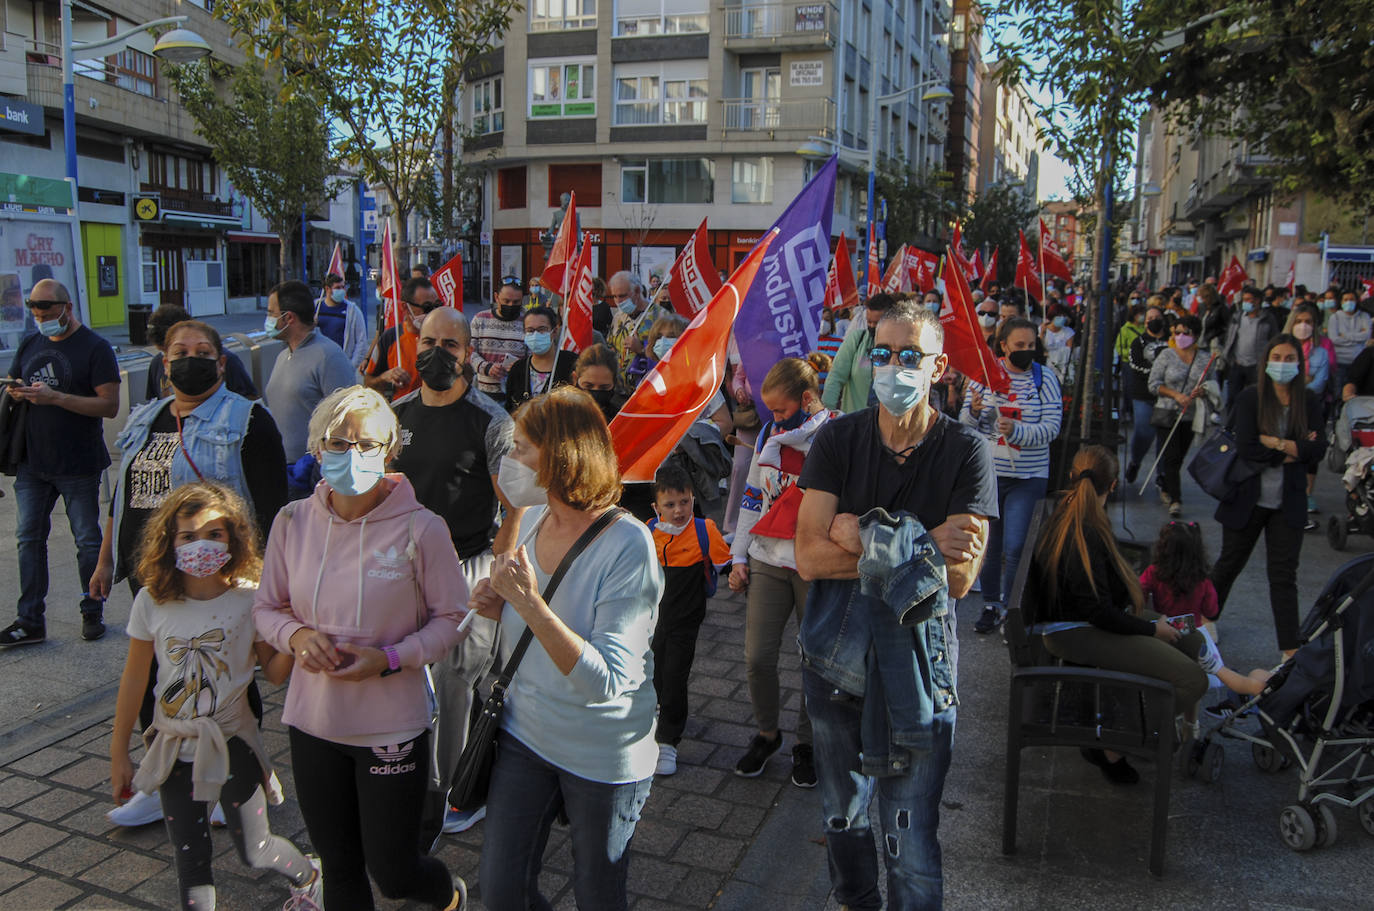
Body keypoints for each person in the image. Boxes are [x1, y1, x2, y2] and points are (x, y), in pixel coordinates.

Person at [794, 299, 997, 909]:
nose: (892, 367)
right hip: (835, 663)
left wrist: (865, 535)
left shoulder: (966, 450)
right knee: (843, 818)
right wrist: (922, 541)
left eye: (910, 355)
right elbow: (807, 556)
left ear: (938, 368)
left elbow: (960, 580)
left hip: (919, 672)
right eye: (881, 353)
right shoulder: (838, 439)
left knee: (910, 838)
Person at [253, 386, 471, 911]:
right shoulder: (291, 522)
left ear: (389, 451)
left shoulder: (424, 528)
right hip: (313, 723)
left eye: (366, 444)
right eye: (338, 442)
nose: (351, 454)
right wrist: (298, 636)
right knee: (342, 870)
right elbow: (266, 609)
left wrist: (391, 658)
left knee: (393, 873)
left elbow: (455, 620)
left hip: (391, 729)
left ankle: (448, 895)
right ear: (317, 447)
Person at [469, 386, 662, 911]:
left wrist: (528, 605)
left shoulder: (628, 545)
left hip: (602, 751)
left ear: (560, 456)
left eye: (521, 449)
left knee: (599, 895)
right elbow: (528, 620)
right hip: (524, 734)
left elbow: (607, 680)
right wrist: (499, 605)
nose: (509, 462)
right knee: (502, 891)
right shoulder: (531, 518)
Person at [108, 482, 321, 909]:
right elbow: (134, 679)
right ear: (169, 542)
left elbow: (274, 673)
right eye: (187, 536)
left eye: (213, 533)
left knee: (254, 849)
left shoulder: (250, 598)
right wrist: (118, 752)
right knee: (190, 858)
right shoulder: (153, 600)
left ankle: (310, 876)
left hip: (232, 746)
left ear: (234, 538)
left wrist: (300, 636)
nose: (199, 544)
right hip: (171, 748)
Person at [388, 306, 525, 835]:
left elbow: (514, 504)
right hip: (403, 570)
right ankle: (417, 780)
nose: (437, 353)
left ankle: (457, 793)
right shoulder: (397, 415)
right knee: (408, 678)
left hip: (469, 567)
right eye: (429, 341)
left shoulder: (490, 419)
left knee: (456, 682)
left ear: (468, 354)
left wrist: (498, 569)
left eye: (450, 345)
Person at [1031, 446, 1209, 784]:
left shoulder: (1073, 515)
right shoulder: (1085, 528)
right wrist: (1150, 630)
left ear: (1073, 477)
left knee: (1193, 638)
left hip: (1086, 622)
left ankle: (1137, 727)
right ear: (1112, 487)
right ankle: (1118, 742)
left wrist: (1147, 624)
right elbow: (1097, 612)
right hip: (1076, 632)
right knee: (1193, 680)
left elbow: (1099, 603)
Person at [728, 358, 836, 788]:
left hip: (816, 567)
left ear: (807, 399)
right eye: (769, 410)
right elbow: (752, 498)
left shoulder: (836, 435)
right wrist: (738, 557)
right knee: (757, 658)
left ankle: (806, 743)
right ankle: (767, 734)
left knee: (816, 662)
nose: (772, 419)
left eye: (779, 409)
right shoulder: (771, 435)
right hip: (767, 560)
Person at [2, 279, 119, 646]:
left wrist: (56, 398)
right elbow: (18, 379)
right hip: (32, 462)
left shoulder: (96, 348)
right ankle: (30, 619)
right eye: (36, 315)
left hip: (78, 463)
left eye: (48, 314)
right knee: (28, 539)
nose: (42, 321)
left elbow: (109, 405)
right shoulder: (32, 342)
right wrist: (15, 391)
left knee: (86, 540)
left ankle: (92, 610)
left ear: (67, 308)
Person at [1210, 335, 1327, 659]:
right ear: (1266, 361)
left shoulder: (1309, 400)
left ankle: (1289, 650)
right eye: (1277, 356)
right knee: (1229, 563)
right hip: (1246, 496)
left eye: (1290, 358)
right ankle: (1205, 620)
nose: (1283, 363)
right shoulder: (1251, 398)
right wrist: (1294, 447)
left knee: (1284, 575)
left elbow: (1318, 449)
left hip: (1287, 502)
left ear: (1299, 364)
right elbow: (1247, 446)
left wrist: (1274, 444)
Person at [961, 317, 1063, 634]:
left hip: (1029, 476)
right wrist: (975, 411)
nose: (1025, 351)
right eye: (1019, 346)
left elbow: (1051, 428)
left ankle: (1012, 607)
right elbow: (964, 426)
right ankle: (991, 604)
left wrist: (1018, 431)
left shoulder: (1045, 379)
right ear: (1003, 346)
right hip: (990, 475)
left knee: (1017, 545)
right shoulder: (983, 376)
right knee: (989, 544)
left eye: (1031, 346)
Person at [647, 463, 731, 777]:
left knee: (675, 676)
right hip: (651, 621)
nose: (679, 510)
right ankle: (655, 713)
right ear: (656, 507)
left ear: (693, 499)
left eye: (684, 502)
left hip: (686, 620)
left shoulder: (704, 529)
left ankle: (668, 740)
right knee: (653, 671)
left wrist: (740, 574)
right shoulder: (648, 532)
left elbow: (725, 561)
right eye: (670, 505)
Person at [261, 280, 359, 469]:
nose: (268, 319)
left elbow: (347, 419)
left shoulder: (328, 356)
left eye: (271, 313)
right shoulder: (283, 355)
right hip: (281, 466)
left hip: (311, 474)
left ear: (289, 317)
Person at [1148, 314, 1212, 517]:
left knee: (1179, 456)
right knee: (1172, 456)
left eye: (1186, 333)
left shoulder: (1204, 358)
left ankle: (1166, 485)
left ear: (1195, 335)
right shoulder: (1166, 355)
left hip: (1191, 415)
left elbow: (1212, 384)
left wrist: (1203, 391)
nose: (1181, 336)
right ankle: (1176, 499)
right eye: (1177, 332)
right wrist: (1176, 395)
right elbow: (1154, 384)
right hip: (1167, 413)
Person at [144, 304, 257, 401]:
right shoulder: (157, 363)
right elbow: (153, 401)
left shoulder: (227, 361)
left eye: (181, 352)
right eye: (163, 352)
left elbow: (249, 399)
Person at [365, 276, 440, 401]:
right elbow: (368, 382)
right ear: (405, 307)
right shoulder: (389, 339)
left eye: (437, 306)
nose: (432, 313)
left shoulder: (445, 337)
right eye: (426, 307)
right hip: (402, 414)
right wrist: (385, 377)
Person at [1139, 519, 1219, 634]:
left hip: (1164, 629)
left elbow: (1139, 595)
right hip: (1192, 631)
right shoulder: (1202, 579)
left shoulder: (1154, 572)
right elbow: (1211, 611)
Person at [822, 292, 895, 413]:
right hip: (854, 421)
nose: (871, 326)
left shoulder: (901, 349)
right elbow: (835, 377)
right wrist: (826, 414)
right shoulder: (857, 340)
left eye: (877, 323)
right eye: (869, 322)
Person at [1123, 304, 1171, 484]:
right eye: (1149, 318)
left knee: (1164, 435)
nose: (1152, 321)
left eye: (1156, 318)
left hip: (1167, 395)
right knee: (1144, 431)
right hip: (1143, 394)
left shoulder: (1171, 341)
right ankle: (1135, 461)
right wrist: (1159, 373)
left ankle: (1162, 474)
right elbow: (1135, 365)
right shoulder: (1139, 342)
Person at [504, 306, 577, 411]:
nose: (535, 335)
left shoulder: (572, 363)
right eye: (530, 330)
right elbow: (510, 407)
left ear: (554, 331)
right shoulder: (518, 368)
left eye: (542, 329)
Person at [470, 275, 529, 404]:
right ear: (496, 297)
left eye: (516, 302)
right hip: (485, 396)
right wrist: (487, 367)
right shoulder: (480, 319)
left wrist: (519, 367)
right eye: (506, 301)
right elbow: (469, 352)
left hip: (516, 395)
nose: (511, 305)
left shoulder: (527, 322)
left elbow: (533, 356)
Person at [607, 271, 671, 389]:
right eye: (614, 296)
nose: (618, 301)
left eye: (622, 296)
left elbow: (670, 355)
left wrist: (642, 349)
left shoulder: (661, 316)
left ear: (636, 291)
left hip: (648, 390)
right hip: (618, 391)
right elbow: (611, 346)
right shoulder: (618, 317)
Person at [1222, 286, 1282, 409]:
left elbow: (1274, 339)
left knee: (1256, 396)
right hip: (1238, 363)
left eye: (1249, 299)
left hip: (1257, 365)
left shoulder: (1267, 318)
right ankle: (1230, 425)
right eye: (1244, 299)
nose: (1246, 302)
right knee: (1233, 397)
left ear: (1258, 301)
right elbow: (1230, 336)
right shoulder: (1238, 316)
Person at [316, 272, 370, 369]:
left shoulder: (353, 311)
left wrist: (351, 366)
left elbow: (361, 341)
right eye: (337, 288)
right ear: (327, 289)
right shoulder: (316, 308)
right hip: (318, 364)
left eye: (343, 287)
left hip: (341, 365)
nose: (341, 291)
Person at [1327, 288, 1371, 392]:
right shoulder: (1335, 317)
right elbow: (1334, 339)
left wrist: (1345, 335)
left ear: (1357, 301)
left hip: (1359, 360)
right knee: (1338, 391)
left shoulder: (1364, 316)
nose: (1349, 302)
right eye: (1345, 299)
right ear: (1341, 302)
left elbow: (1366, 336)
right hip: (1340, 361)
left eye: (1351, 299)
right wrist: (1357, 337)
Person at [572, 343, 626, 424]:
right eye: (588, 386)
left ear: (614, 382)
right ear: (575, 378)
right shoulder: (560, 415)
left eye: (604, 387)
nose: (596, 393)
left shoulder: (622, 418)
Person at [1041, 303, 1076, 380]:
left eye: (1064, 316)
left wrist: (1050, 354)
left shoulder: (1068, 332)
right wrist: (1042, 333)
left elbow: (1069, 351)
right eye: (1059, 316)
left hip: (1062, 367)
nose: (1062, 318)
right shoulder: (1042, 330)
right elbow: (1039, 347)